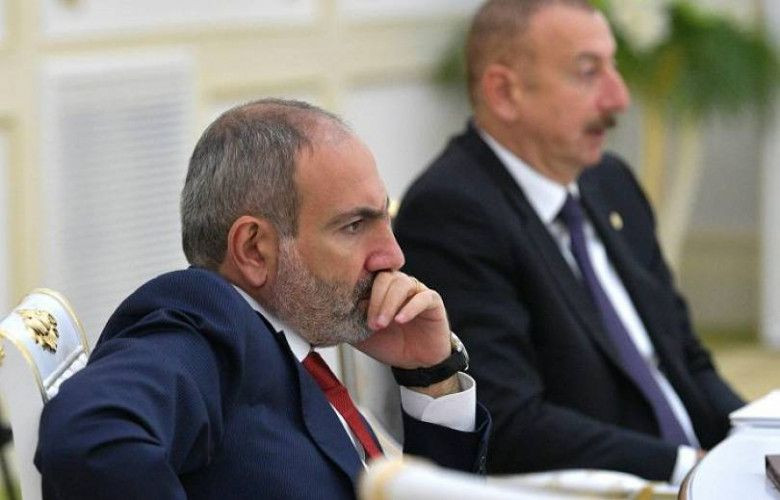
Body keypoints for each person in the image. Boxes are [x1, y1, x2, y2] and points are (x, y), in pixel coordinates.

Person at [35, 99, 490, 499]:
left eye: (383, 220)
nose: (393, 255)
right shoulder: (202, 324)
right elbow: (87, 438)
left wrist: (430, 376)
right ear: (254, 249)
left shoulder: (282, 332)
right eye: (354, 226)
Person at [394, 0, 743, 484]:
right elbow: (510, 422)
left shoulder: (609, 181)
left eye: (613, 67)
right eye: (588, 72)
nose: (619, 98)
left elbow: (686, 358)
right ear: (504, 92)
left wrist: (755, 443)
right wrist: (690, 468)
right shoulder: (452, 212)